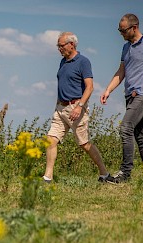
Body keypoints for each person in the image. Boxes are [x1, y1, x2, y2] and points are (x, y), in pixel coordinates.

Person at [100, 13, 143, 184]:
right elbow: (121, 72)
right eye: (119, 30)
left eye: (123, 30)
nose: (121, 34)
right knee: (141, 136)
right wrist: (108, 89)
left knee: (125, 128)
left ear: (134, 27)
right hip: (129, 95)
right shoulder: (126, 48)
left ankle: (125, 173)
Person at [43, 32, 109, 183]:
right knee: (50, 140)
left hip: (76, 108)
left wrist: (79, 107)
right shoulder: (63, 62)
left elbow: (89, 87)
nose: (59, 49)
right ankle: (47, 177)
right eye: (58, 46)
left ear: (71, 44)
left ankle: (104, 173)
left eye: (61, 45)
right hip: (60, 108)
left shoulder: (83, 62)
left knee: (84, 144)